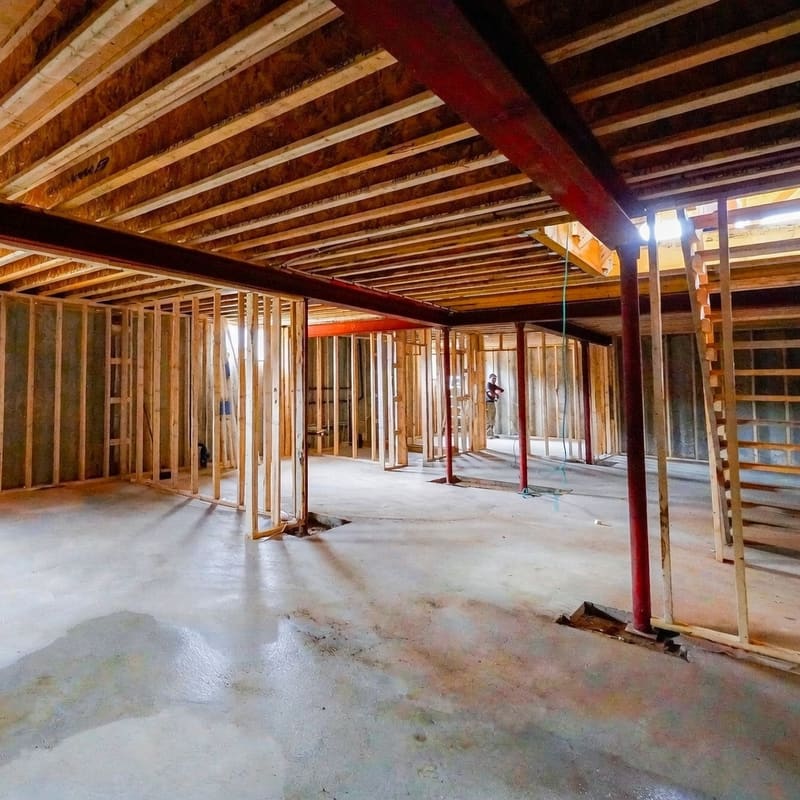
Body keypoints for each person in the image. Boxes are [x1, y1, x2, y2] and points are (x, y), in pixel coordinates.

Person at [485, 373, 504, 438]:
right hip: (488, 403)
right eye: (493, 378)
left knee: (493, 418)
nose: (494, 380)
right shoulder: (488, 385)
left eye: (495, 379)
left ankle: (491, 433)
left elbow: (502, 390)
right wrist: (496, 395)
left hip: (492, 403)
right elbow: (490, 393)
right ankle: (487, 434)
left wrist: (497, 392)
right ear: (489, 378)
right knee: (489, 418)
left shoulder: (494, 385)